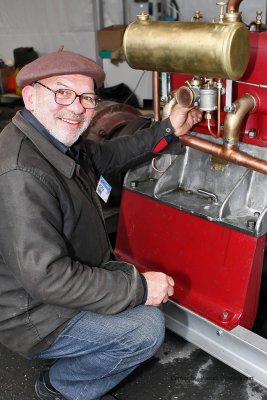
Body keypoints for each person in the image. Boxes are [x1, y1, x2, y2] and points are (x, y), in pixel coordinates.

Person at [0, 48, 202, 400]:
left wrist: (169, 129)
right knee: (144, 327)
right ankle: (61, 387)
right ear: (30, 97)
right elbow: (48, 278)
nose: (77, 106)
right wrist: (138, 289)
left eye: (87, 97)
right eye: (62, 92)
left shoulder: (53, 144)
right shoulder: (22, 174)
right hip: (29, 313)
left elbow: (112, 155)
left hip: (45, 288)